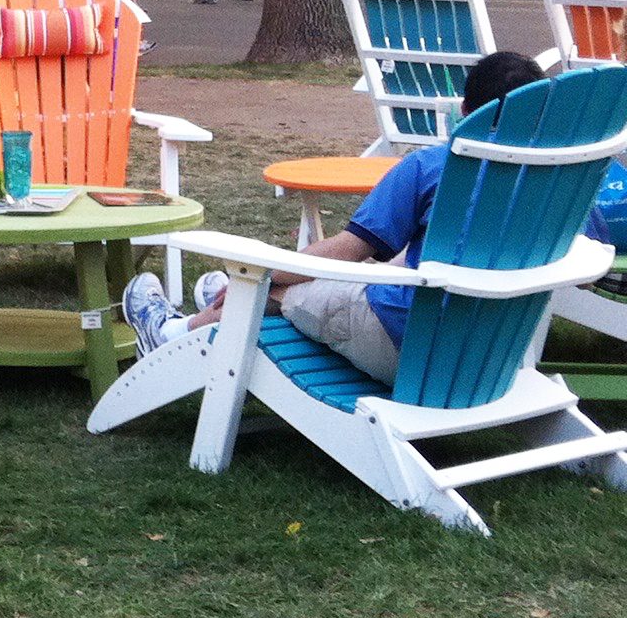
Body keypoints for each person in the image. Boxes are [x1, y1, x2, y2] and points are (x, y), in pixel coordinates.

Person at [123, 52, 571, 380]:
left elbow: (346, 252)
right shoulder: (564, 179)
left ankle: (173, 331)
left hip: (408, 352)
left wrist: (263, 274)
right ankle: (227, 298)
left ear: (467, 111)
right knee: (348, 277)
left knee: (276, 289)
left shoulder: (434, 167)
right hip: (498, 353)